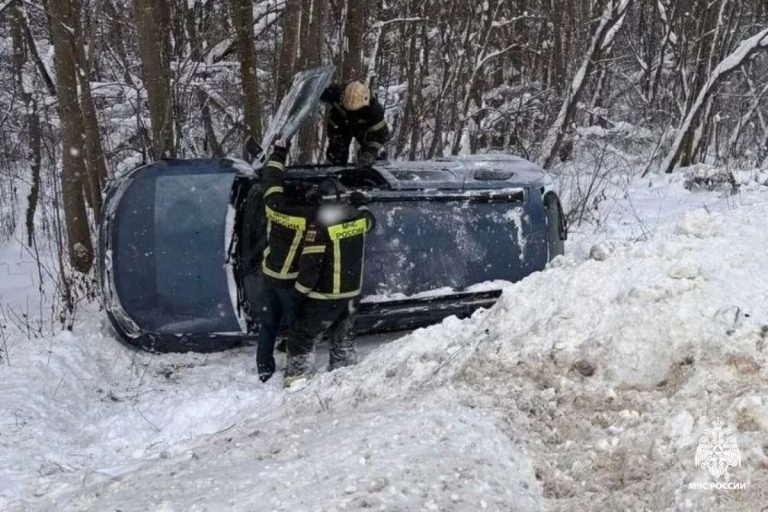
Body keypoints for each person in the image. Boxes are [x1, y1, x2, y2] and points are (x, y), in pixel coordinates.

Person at [283, 180, 375, 385]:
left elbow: (310, 268)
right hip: (351, 294)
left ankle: (297, 376)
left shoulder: (319, 227)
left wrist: (298, 295)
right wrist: (361, 204)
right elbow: (370, 221)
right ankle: (344, 371)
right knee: (343, 335)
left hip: (325, 295)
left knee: (301, 336)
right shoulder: (358, 219)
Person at [247, 139, 317, 383]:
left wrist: (279, 153)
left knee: (268, 325)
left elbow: (271, 178)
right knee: (297, 325)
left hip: (270, 276)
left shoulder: (274, 207)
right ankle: (296, 368)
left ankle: (264, 370)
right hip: (290, 283)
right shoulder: (310, 218)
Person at [320, 80, 390, 167]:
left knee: (371, 162)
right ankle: (335, 171)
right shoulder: (334, 94)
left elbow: (380, 137)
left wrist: (370, 152)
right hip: (341, 124)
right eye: (348, 109)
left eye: (356, 110)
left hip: (364, 130)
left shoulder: (374, 111)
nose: (352, 113)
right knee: (336, 154)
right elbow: (317, 91)